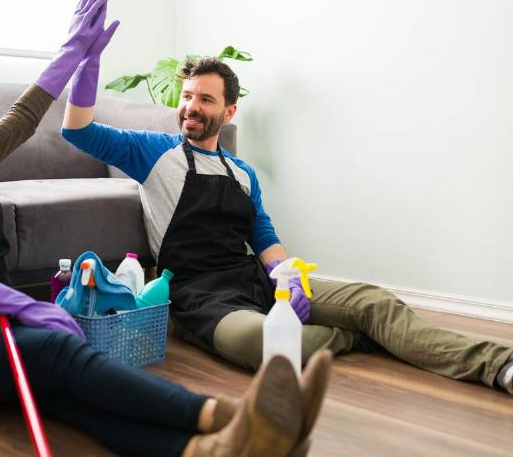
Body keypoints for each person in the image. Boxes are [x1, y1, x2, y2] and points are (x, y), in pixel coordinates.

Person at [0, 0, 332, 457]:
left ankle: (205, 450)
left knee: (76, 392)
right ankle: (230, 417)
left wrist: (78, 54)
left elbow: (26, 114)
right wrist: (29, 307)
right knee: (60, 355)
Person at [61, 50, 513, 396]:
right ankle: (356, 337)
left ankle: (499, 365)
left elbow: (263, 237)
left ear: (229, 111)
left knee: (375, 300)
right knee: (265, 346)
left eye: (205, 99)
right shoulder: (152, 152)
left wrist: (289, 276)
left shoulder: (242, 173)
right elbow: (77, 130)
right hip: (200, 295)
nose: (190, 107)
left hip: (256, 280)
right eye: (186, 97)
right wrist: (89, 62)